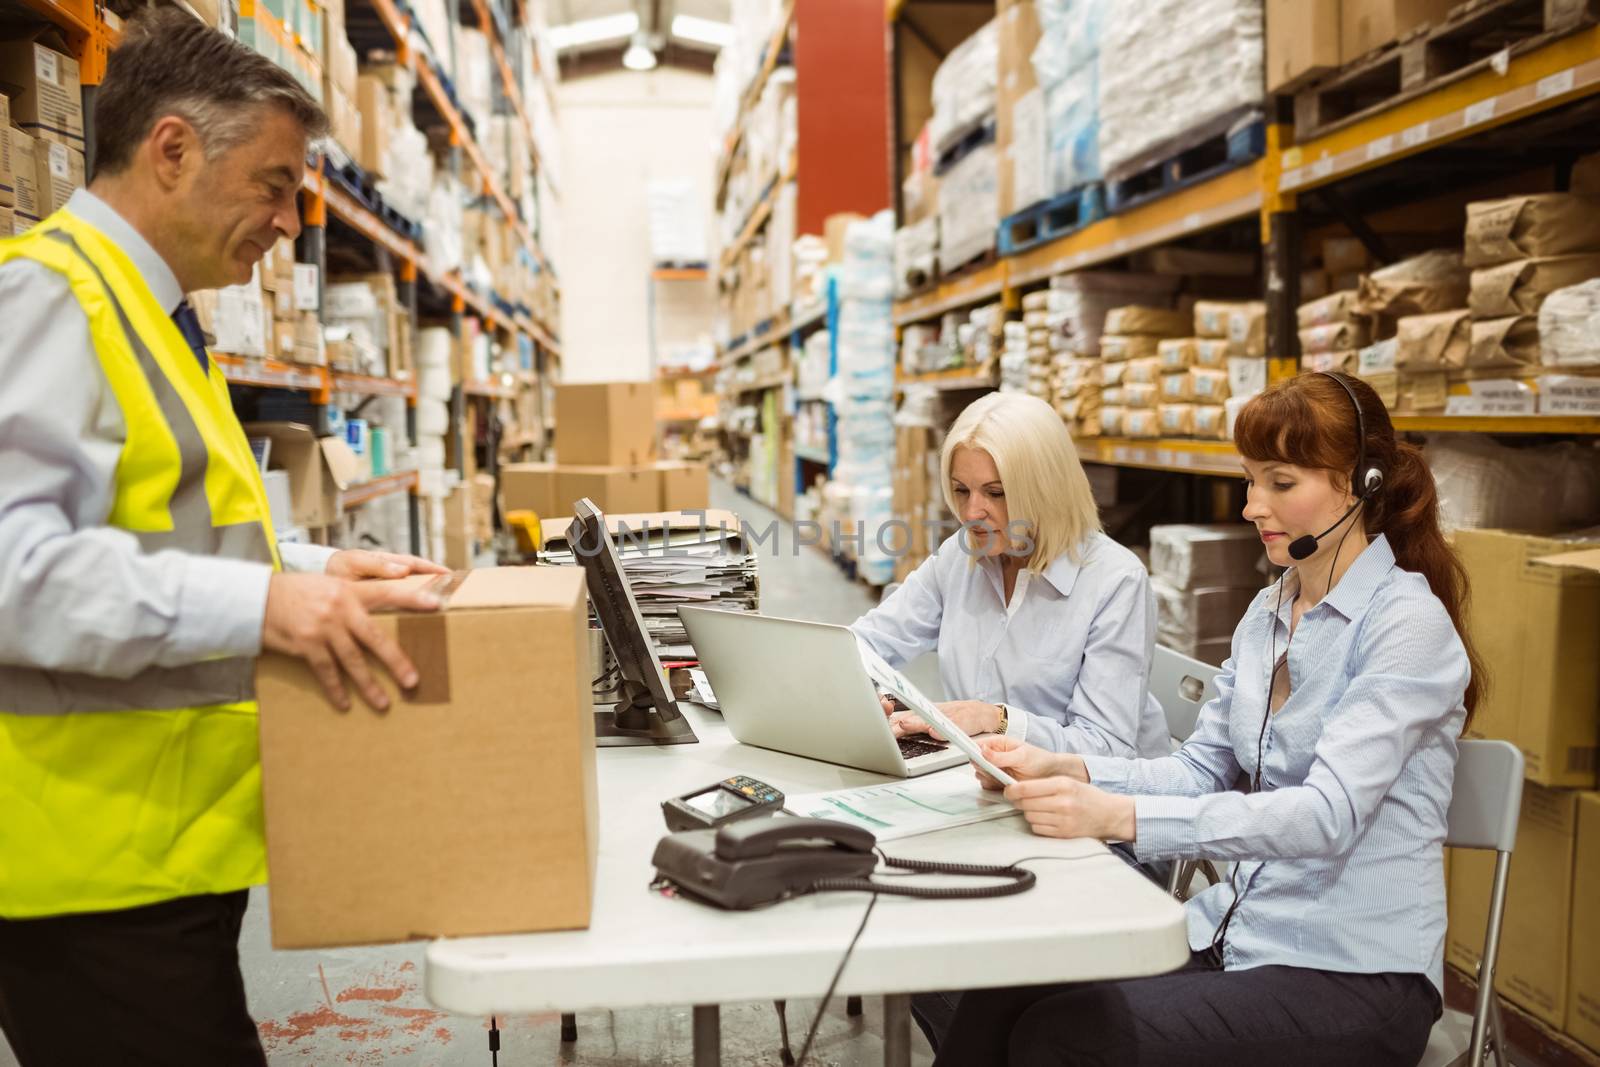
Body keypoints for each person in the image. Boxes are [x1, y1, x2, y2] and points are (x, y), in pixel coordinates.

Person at [0, 12, 445, 1065]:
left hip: (159, 852)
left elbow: (165, 530)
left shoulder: (152, 314)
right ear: (171, 149)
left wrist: (313, 566)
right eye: (274, 183)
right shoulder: (51, 294)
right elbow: (14, 571)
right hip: (83, 872)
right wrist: (261, 606)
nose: (290, 221)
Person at [930, 372, 1483, 1067]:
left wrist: (1116, 816)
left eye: (1281, 483)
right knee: (1005, 986)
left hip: (1353, 975)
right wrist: (1064, 765)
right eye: (1250, 480)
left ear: (1361, 485)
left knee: (1067, 1037)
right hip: (1235, 934)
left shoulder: (1406, 626)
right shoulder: (1270, 611)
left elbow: (1324, 815)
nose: (1254, 505)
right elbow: (1200, 768)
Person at [852, 392, 1167, 760]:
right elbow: (867, 642)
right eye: (961, 490)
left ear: (1045, 489)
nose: (972, 512)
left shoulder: (1115, 582)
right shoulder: (962, 554)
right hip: (986, 776)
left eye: (995, 493)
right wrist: (862, 687)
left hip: (1088, 797)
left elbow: (1106, 748)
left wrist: (993, 719)